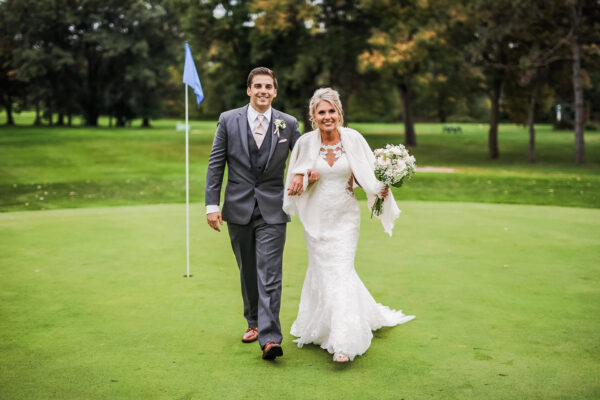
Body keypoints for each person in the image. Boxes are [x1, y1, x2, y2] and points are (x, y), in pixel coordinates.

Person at [283, 88, 415, 363]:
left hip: (345, 218)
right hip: (317, 220)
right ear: (313, 116)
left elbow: (366, 174)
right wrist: (308, 178)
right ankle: (323, 326)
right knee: (323, 271)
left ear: (340, 114)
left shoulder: (353, 139)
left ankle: (344, 342)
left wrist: (381, 187)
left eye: (332, 111)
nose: (327, 116)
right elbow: (292, 188)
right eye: (322, 112)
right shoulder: (305, 144)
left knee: (341, 271)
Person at [205, 67, 302, 360]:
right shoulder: (227, 120)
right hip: (238, 207)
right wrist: (212, 205)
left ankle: (271, 338)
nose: (263, 90)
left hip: (274, 208)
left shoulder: (289, 123)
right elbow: (215, 163)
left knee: (270, 273)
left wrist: (307, 175)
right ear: (248, 90)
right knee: (248, 269)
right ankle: (254, 322)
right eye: (257, 86)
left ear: (275, 92)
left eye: (268, 86)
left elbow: (303, 158)